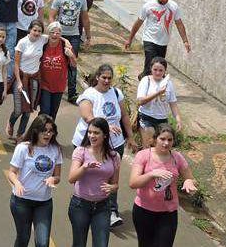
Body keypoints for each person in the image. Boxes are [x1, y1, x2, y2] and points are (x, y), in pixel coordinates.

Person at [71, 64, 139, 227]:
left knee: (110, 176)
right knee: (88, 177)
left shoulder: (116, 93)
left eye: (109, 78)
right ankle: (83, 204)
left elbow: (123, 115)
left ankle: (111, 211)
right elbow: (88, 117)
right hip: (90, 143)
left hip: (115, 144)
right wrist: (107, 126)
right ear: (97, 77)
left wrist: (130, 136)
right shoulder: (88, 95)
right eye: (104, 77)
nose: (107, 81)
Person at [129, 124, 198, 247]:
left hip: (168, 213)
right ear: (155, 139)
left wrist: (189, 182)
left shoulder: (177, 157)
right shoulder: (144, 155)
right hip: (143, 211)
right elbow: (133, 183)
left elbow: (190, 178)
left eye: (170, 140)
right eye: (162, 139)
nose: (166, 143)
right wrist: (152, 174)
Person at [7, 115, 62, 247]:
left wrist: (52, 179)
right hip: (21, 202)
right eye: (44, 130)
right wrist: (17, 183)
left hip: (44, 203)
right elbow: (11, 172)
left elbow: (58, 177)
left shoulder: (55, 149)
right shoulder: (23, 148)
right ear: (36, 131)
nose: (47, 134)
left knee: (43, 243)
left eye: (50, 131)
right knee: (23, 238)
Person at [67, 118, 120, 247]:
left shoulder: (114, 156)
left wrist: (112, 188)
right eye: (90, 132)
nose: (92, 135)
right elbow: (71, 178)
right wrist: (85, 167)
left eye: (96, 133)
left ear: (105, 135)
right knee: (79, 244)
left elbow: (115, 184)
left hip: (103, 207)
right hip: (80, 205)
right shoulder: (81, 152)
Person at [123, 0, 191, 77]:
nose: (165, 0)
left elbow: (179, 24)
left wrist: (185, 41)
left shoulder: (173, 6)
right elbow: (138, 22)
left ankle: (144, 77)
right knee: (151, 68)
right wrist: (130, 39)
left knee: (160, 69)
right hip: (149, 39)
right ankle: (145, 82)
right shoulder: (148, 6)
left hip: (163, 42)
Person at [49, 0, 89, 101]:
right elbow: (51, 17)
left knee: (72, 63)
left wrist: (88, 36)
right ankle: (54, 87)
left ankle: (72, 93)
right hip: (59, 36)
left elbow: (85, 18)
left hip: (74, 36)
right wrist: (54, 32)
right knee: (56, 62)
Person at [7, 20, 46, 140]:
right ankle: (11, 122)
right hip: (21, 77)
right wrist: (18, 81)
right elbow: (16, 64)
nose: (37, 33)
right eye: (35, 30)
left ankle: (20, 135)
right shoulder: (22, 42)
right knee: (18, 110)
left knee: (28, 110)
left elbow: (58, 36)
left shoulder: (43, 39)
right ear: (30, 30)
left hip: (34, 78)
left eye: (39, 31)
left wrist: (66, 42)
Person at [136, 57, 183, 148]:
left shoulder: (168, 83)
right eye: (155, 70)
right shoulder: (146, 80)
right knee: (148, 145)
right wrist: (158, 93)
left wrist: (178, 120)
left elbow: (173, 104)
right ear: (151, 69)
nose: (158, 73)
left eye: (161, 70)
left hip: (162, 119)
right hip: (147, 117)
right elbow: (141, 101)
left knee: (160, 147)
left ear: (165, 71)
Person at [38, 22, 77, 119]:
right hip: (44, 84)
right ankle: (39, 131)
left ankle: (49, 133)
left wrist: (71, 55)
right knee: (45, 111)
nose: (55, 35)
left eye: (58, 33)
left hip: (59, 86)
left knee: (53, 113)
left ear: (61, 34)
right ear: (48, 33)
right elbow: (34, 34)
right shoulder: (43, 43)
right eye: (52, 32)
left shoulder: (65, 46)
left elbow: (74, 64)